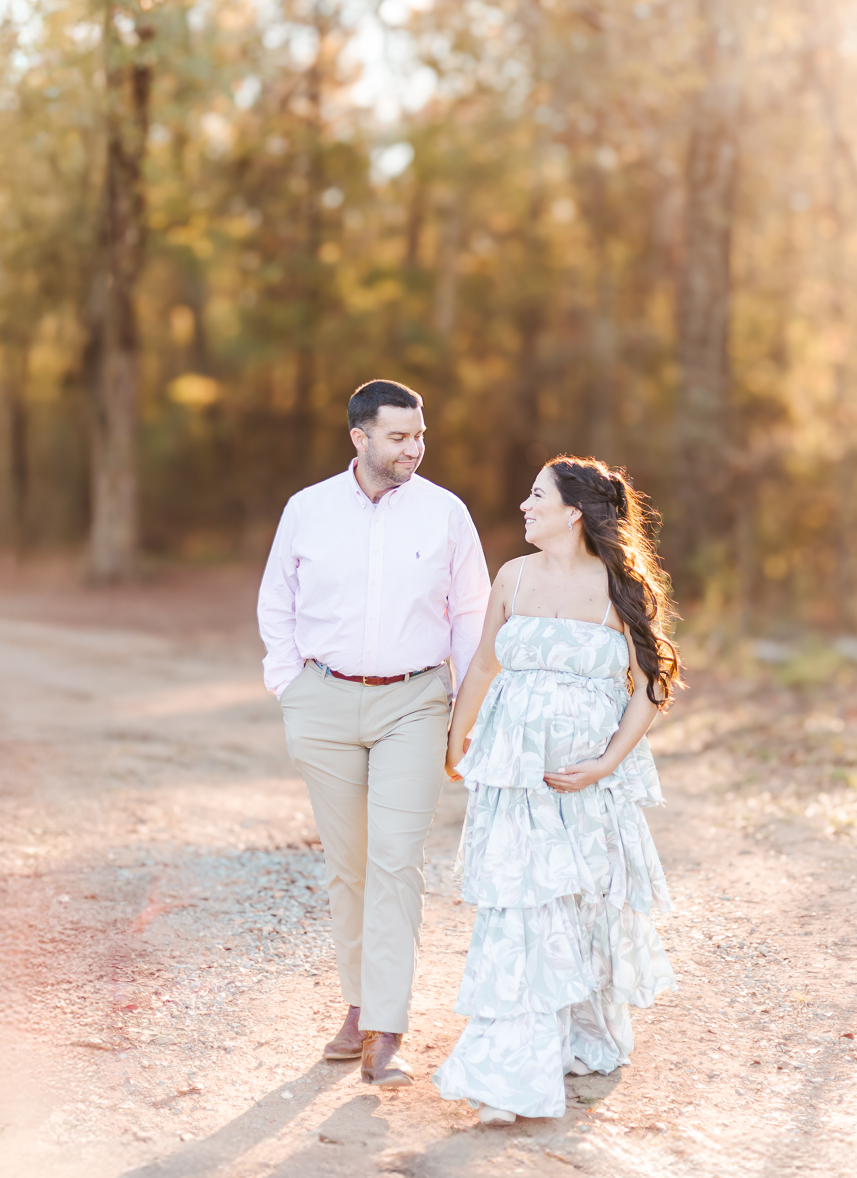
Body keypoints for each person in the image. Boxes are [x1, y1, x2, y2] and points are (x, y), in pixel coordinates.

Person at [257, 379, 491, 1088]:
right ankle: (357, 1007)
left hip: (414, 704)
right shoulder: (307, 509)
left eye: (419, 436)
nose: (413, 449)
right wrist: (288, 686)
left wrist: (466, 714)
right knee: (350, 865)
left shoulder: (446, 513)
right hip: (322, 703)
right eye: (398, 437)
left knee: (396, 860)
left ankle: (386, 1028)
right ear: (359, 438)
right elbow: (277, 600)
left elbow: (472, 617)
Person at [434, 455, 681, 1124]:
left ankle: (579, 1032)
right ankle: (509, 1073)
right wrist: (459, 738)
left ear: (574, 511)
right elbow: (485, 662)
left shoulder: (619, 586)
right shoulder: (512, 575)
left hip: (586, 786)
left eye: (537, 495)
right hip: (516, 777)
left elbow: (652, 687)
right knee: (520, 911)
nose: (524, 504)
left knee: (583, 907)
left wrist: (605, 764)